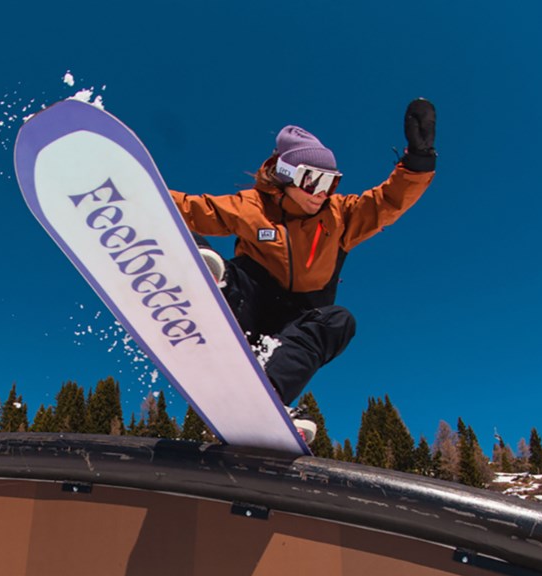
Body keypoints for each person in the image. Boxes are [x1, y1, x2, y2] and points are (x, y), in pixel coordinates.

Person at [169, 99, 436, 443]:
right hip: (247, 306)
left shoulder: (341, 216)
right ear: (287, 175)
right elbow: (192, 209)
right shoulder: (252, 206)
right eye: (312, 180)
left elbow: (387, 201)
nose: (321, 193)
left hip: (292, 327)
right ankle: (207, 283)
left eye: (331, 183)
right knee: (209, 249)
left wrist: (417, 161)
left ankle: (266, 395)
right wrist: (131, 192)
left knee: (339, 321)